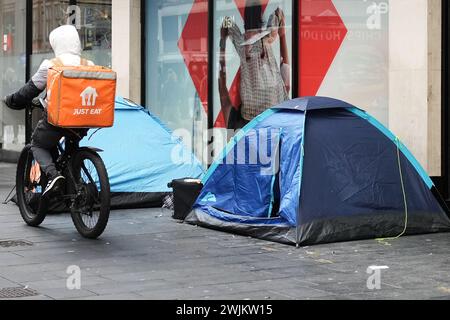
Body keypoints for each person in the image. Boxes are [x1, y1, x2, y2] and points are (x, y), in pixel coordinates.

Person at [2, 25, 94, 197]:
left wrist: (12, 100)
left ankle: (53, 175)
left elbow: (30, 90)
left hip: (59, 119)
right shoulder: (88, 64)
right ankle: (75, 185)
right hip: (85, 118)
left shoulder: (52, 65)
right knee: (71, 147)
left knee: (37, 144)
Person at [219, 1, 291, 128]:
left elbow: (226, 22)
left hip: (252, 112)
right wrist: (280, 33)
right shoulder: (266, 38)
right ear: (260, 19)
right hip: (267, 107)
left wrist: (223, 39)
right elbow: (277, 15)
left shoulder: (242, 42)